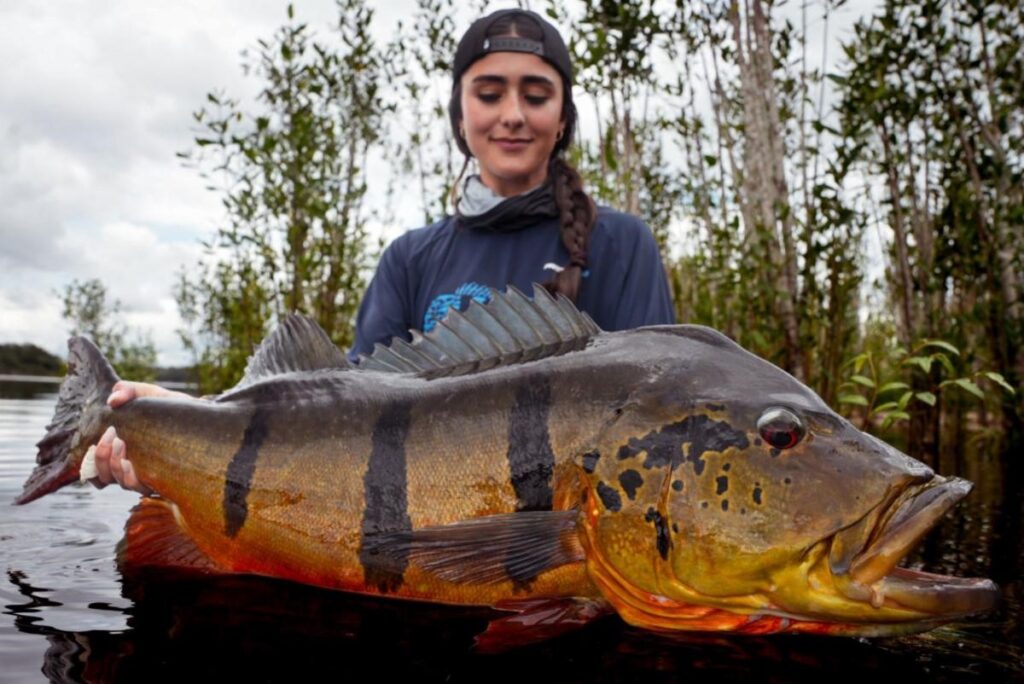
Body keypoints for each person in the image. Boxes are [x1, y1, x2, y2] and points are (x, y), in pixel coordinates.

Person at [91, 8, 674, 494]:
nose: (513, 114)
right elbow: (340, 418)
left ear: (563, 116)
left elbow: (656, 427)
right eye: (490, 93)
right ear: (460, 114)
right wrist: (184, 418)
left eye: (537, 94)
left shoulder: (622, 245)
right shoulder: (410, 257)